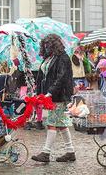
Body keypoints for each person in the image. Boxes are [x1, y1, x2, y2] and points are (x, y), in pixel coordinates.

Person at [32, 34, 76, 163]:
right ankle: (70, 151)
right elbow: (42, 76)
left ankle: (46, 153)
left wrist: (50, 92)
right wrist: (39, 93)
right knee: (61, 124)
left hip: (59, 95)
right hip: (49, 95)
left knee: (51, 123)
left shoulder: (63, 58)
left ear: (54, 44)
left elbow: (61, 77)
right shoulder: (48, 57)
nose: (46, 47)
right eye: (44, 45)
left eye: (48, 45)